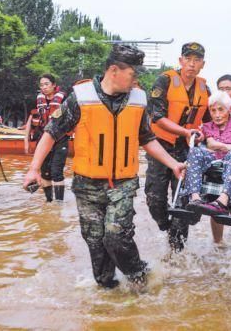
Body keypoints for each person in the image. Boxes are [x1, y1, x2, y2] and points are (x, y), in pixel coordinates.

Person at [23, 45, 185, 289]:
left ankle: (141, 277)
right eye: (133, 73)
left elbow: (147, 138)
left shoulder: (138, 100)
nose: (136, 79)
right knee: (95, 242)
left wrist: (173, 164)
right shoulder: (80, 96)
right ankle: (108, 292)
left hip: (122, 183)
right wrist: (34, 168)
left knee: (116, 235)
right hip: (87, 185)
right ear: (114, 71)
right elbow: (51, 132)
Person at [146, 42, 210, 252]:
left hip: (186, 149)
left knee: (182, 200)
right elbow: (157, 116)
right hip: (160, 146)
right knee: (155, 199)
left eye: (197, 60)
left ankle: (177, 254)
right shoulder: (164, 81)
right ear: (180, 61)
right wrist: (184, 131)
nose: (192, 64)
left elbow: (210, 123)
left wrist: (204, 136)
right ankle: (165, 226)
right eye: (188, 59)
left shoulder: (204, 89)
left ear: (202, 64)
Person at [180, 91, 231, 243]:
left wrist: (222, 147)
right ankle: (195, 198)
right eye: (213, 110)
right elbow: (210, 145)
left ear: (228, 110)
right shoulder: (207, 126)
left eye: (221, 110)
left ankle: (223, 199)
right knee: (195, 151)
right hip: (213, 161)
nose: (217, 114)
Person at [24, 74, 68, 202]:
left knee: (56, 172)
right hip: (42, 138)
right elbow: (30, 120)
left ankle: (59, 204)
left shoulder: (64, 98)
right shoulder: (38, 99)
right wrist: (26, 141)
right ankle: (49, 202)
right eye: (41, 85)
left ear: (54, 85)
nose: (44, 87)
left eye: (47, 84)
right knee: (45, 173)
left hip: (60, 138)